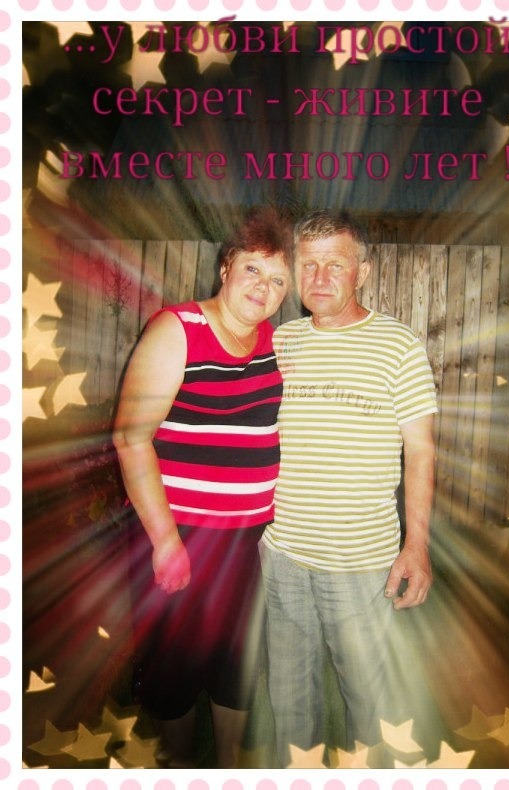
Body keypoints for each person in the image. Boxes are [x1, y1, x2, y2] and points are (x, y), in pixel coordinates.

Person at [112, 208, 293, 768]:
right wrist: (167, 542)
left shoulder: (275, 344)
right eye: (253, 269)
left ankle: (231, 768)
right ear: (225, 267)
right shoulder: (177, 330)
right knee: (174, 667)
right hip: (179, 533)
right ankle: (180, 765)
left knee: (237, 664)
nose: (263, 288)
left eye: (278, 281)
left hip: (247, 539)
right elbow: (130, 438)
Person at [260, 210, 438, 766]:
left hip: (361, 563)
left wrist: (416, 545)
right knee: (290, 704)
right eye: (307, 265)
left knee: (370, 705)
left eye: (334, 265)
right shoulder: (280, 342)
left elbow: (421, 450)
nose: (318, 278)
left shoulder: (398, 345)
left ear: (362, 272)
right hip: (283, 555)